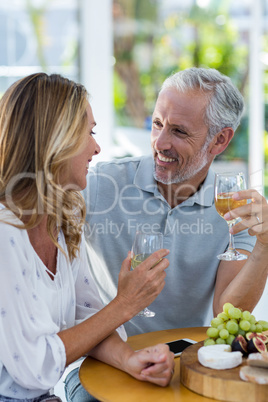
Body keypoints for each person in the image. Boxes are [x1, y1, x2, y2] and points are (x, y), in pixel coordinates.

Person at [65, 67, 268, 399]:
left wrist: (265, 246)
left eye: (179, 131)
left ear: (220, 139)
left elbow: (228, 310)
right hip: (103, 365)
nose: (160, 143)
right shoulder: (99, 184)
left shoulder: (233, 207)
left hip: (185, 367)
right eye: (157, 124)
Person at [0, 73, 175, 402]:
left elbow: (86, 314)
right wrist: (126, 304)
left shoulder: (59, 220)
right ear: (56, 139)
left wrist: (129, 360)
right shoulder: (5, 232)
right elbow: (35, 366)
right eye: (89, 132)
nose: (97, 147)